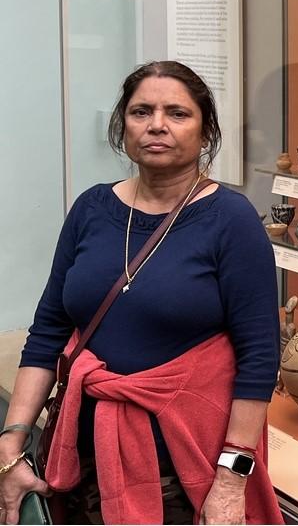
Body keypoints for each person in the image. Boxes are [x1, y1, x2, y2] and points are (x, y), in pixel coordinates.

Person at [0, 61, 283, 524]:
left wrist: (232, 482)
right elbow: (49, 330)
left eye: (177, 113)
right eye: (141, 111)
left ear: (205, 130)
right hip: (81, 451)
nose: (157, 125)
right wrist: (11, 442)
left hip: (182, 461)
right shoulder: (92, 207)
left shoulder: (230, 220)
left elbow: (258, 357)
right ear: (122, 126)